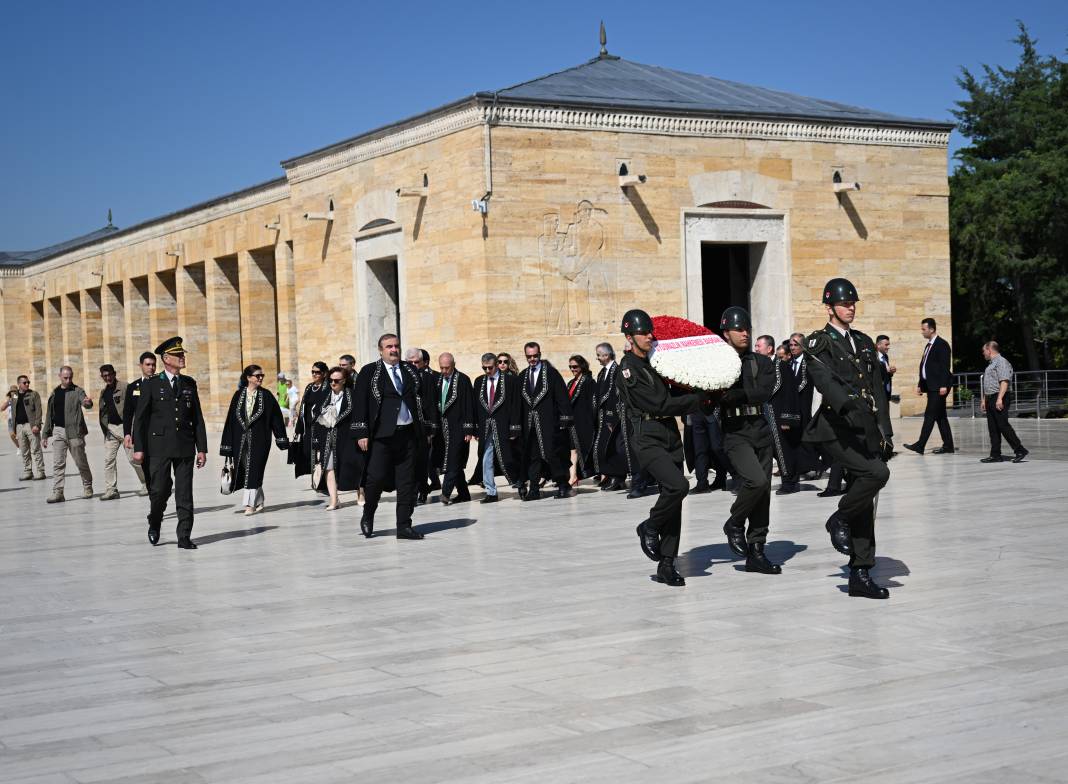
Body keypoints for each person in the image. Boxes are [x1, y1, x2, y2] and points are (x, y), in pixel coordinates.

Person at [802, 278, 893, 599]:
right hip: (835, 428)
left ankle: (860, 572)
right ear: (829, 308)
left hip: (865, 429)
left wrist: (885, 430)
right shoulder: (818, 344)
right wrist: (854, 414)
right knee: (877, 474)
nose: (850, 308)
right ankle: (838, 517)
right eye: (843, 304)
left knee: (865, 499)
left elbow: (877, 391)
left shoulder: (865, 342)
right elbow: (827, 385)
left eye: (852, 303)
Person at [617, 309, 710, 587]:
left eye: (650, 332)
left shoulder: (658, 362)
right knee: (678, 486)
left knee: (674, 498)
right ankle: (649, 526)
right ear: (629, 337)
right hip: (647, 436)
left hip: (669, 434)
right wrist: (696, 400)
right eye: (643, 333)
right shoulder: (628, 369)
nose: (649, 336)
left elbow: (674, 391)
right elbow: (658, 404)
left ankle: (667, 564)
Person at [353, 333, 438, 539]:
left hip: (408, 434)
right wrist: (361, 431)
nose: (394, 350)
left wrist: (427, 429)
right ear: (381, 350)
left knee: (407, 481)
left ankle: (404, 526)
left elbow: (422, 400)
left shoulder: (409, 369)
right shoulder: (369, 372)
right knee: (376, 479)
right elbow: (360, 403)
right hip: (382, 436)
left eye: (396, 346)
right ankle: (368, 514)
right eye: (389, 346)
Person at [719, 311, 781, 574]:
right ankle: (734, 523)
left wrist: (736, 395)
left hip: (760, 429)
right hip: (735, 432)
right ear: (726, 334)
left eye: (747, 328)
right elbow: (715, 396)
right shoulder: (717, 363)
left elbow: (765, 392)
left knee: (763, 490)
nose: (745, 333)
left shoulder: (761, 362)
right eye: (738, 329)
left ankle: (757, 550)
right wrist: (736, 397)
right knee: (755, 481)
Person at [132, 336, 208, 549]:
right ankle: (155, 520)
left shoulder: (189, 383)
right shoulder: (152, 384)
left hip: (184, 446)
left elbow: (197, 418)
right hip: (159, 447)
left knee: (185, 493)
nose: (182, 357)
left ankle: (184, 536)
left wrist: (201, 448)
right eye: (178, 355)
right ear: (166, 358)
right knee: (159, 490)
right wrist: (139, 448)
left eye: (182, 354)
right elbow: (140, 419)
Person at [220, 364, 289, 515]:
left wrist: (281, 439)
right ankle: (259, 500)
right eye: (257, 376)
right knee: (248, 471)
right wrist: (227, 445)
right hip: (240, 441)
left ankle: (249, 505)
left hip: (260, 441)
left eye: (262, 375)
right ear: (248, 378)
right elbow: (230, 421)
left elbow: (276, 418)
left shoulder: (266, 396)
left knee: (253, 470)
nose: (260, 378)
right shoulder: (238, 395)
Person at [517, 341, 574, 500]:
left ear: (540, 354)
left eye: (535, 356)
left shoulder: (551, 373)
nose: (532, 359)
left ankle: (563, 484)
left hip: (548, 422)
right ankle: (534, 489)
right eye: (529, 356)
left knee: (551, 454)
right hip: (530, 424)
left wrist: (565, 418)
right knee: (533, 457)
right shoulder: (522, 376)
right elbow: (518, 403)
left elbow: (562, 397)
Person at [756, 334, 802, 495]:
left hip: (778, 415)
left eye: (758, 346)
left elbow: (790, 392)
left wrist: (787, 418)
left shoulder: (781, 366)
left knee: (783, 449)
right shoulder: (760, 367)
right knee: (770, 450)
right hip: (765, 414)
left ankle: (790, 482)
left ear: (769, 349)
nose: (755, 349)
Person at [473, 352, 522, 503]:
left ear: (496, 366)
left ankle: (519, 482)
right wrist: (475, 428)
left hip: (504, 426)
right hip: (486, 427)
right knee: (486, 459)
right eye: (484, 368)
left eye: (490, 368)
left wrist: (514, 426)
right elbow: (476, 406)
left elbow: (515, 404)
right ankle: (491, 492)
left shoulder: (509, 380)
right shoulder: (479, 381)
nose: (487, 371)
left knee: (508, 457)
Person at [41, 366, 94, 503]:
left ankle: (87, 486)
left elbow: (85, 402)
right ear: (59, 376)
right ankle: (58, 492)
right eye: (65, 377)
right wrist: (45, 434)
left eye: (70, 377)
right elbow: (49, 415)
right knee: (58, 463)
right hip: (59, 431)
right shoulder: (54, 393)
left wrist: (88, 403)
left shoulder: (77, 391)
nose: (68, 380)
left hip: (75, 431)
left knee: (80, 461)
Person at [313, 366, 362, 510]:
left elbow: (359, 416)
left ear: (344, 380)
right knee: (328, 468)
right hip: (328, 438)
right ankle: (334, 500)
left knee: (354, 465)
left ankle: (360, 493)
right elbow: (316, 419)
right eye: (330, 380)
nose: (333, 383)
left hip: (347, 437)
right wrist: (316, 442)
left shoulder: (352, 395)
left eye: (336, 380)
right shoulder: (324, 396)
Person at [904, 317, 955, 455]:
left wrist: (944, 385)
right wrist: (921, 384)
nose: (922, 332)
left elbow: (945, 367)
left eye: (924, 329)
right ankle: (949, 446)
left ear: (931, 329)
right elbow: (925, 366)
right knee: (940, 417)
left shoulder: (942, 344)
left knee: (930, 415)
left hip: (939, 387)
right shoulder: (929, 345)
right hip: (931, 386)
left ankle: (920, 445)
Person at [432, 353, 476, 504]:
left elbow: (469, 405)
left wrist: (469, 429)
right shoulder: (438, 380)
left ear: (453, 364)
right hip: (443, 428)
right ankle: (464, 493)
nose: (444, 371)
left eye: (447, 368)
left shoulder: (462, 380)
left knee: (453, 459)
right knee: (454, 461)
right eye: (441, 368)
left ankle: (445, 492)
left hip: (458, 427)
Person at [97, 363, 144, 500]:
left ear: (114, 374)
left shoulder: (125, 387)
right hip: (111, 430)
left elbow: (134, 406)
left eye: (109, 375)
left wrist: (133, 428)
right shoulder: (103, 392)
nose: (108, 378)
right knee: (108, 460)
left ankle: (147, 483)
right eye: (105, 376)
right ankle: (111, 489)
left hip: (125, 428)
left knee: (133, 459)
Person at [591, 343, 632, 492]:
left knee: (615, 447)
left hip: (615, 416)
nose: (597, 358)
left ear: (606, 355)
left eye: (599, 355)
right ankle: (610, 475)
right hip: (603, 417)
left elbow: (617, 396)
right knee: (604, 447)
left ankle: (618, 477)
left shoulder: (617, 370)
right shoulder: (602, 373)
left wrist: (611, 417)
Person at [980, 341, 1028, 464]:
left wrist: (1000, 398)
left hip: (999, 397)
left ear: (989, 350)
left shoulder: (1002, 362)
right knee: (993, 428)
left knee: (1003, 425)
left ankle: (1020, 450)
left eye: (984, 351)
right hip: (990, 397)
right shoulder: (991, 364)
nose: (983, 353)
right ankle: (995, 454)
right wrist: (984, 400)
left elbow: (1004, 381)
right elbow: (989, 383)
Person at [406, 346, 441, 503]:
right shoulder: (401, 377)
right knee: (408, 461)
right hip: (405, 426)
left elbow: (431, 404)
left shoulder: (427, 378)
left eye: (416, 362)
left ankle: (421, 490)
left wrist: (431, 428)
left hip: (422, 427)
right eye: (410, 362)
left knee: (422, 461)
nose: (414, 365)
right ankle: (412, 491)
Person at [122, 352, 156, 495]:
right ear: (141, 365)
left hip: (158, 432)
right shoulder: (133, 387)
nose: (151, 368)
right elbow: (128, 412)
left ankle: (157, 489)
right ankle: (150, 490)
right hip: (141, 432)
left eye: (153, 365)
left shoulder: (162, 383)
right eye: (148, 364)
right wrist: (127, 434)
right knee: (144, 464)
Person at [2, 375, 45, 480]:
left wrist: (37, 424)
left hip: (31, 425)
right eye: (24, 382)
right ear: (19, 384)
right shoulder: (15, 396)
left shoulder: (33, 394)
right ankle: (28, 472)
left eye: (28, 382)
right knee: (24, 450)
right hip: (19, 426)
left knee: (36, 449)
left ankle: (40, 472)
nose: (27, 384)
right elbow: (6, 407)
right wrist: (14, 427)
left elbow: (39, 411)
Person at [293, 361, 329, 479]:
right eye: (312, 372)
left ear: (324, 374)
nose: (314, 374)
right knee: (309, 452)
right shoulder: (310, 387)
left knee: (320, 452)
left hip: (321, 426)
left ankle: (324, 480)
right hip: (308, 427)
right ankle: (316, 479)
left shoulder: (327, 387)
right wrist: (299, 428)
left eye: (317, 372)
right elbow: (303, 406)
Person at [565, 354, 595, 485]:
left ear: (582, 366)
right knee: (572, 449)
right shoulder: (571, 383)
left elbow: (593, 404)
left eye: (575, 366)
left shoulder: (588, 382)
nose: (572, 369)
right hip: (572, 423)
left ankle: (605, 474)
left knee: (587, 449)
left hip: (584, 421)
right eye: (570, 367)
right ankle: (573, 476)